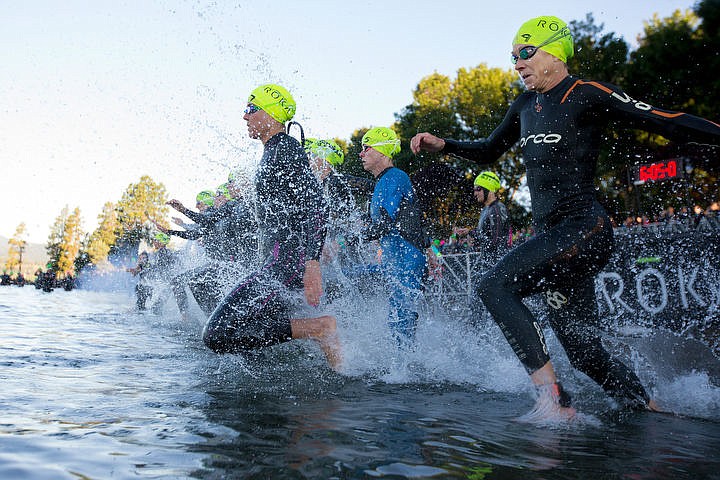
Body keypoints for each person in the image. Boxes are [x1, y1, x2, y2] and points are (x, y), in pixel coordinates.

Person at [410, 15, 720, 420]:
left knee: (495, 286)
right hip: (556, 242)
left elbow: (665, 121)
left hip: (584, 231)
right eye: (513, 57)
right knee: (584, 353)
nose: (517, 65)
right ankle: (652, 410)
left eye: (525, 53)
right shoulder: (524, 104)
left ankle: (554, 400)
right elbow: (489, 150)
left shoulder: (586, 93)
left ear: (555, 53)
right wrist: (444, 143)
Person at [201, 83, 340, 369]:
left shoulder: (286, 150)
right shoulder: (272, 152)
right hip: (278, 262)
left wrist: (312, 264)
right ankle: (333, 371)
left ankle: (320, 329)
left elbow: (317, 204)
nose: (245, 116)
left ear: (272, 113)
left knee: (216, 335)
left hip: (284, 266)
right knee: (252, 345)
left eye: (251, 109)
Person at [348, 127, 428, 346]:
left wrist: (352, 238)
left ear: (382, 152)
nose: (361, 154)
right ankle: (402, 367)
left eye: (366, 148)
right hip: (396, 263)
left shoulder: (394, 177)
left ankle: (405, 375)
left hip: (407, 262)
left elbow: (384, 225)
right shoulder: (384, 182)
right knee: (396, 318)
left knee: (401, 321)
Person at [454, 171, 510, 266]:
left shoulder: (497, 209)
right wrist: (469, 232)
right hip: (488, 262)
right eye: (474, 190)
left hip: (498, 264)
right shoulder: (486, 209)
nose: (475, 193)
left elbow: (496, 241)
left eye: (478, 189)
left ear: (490, 190)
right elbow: (485, 235)